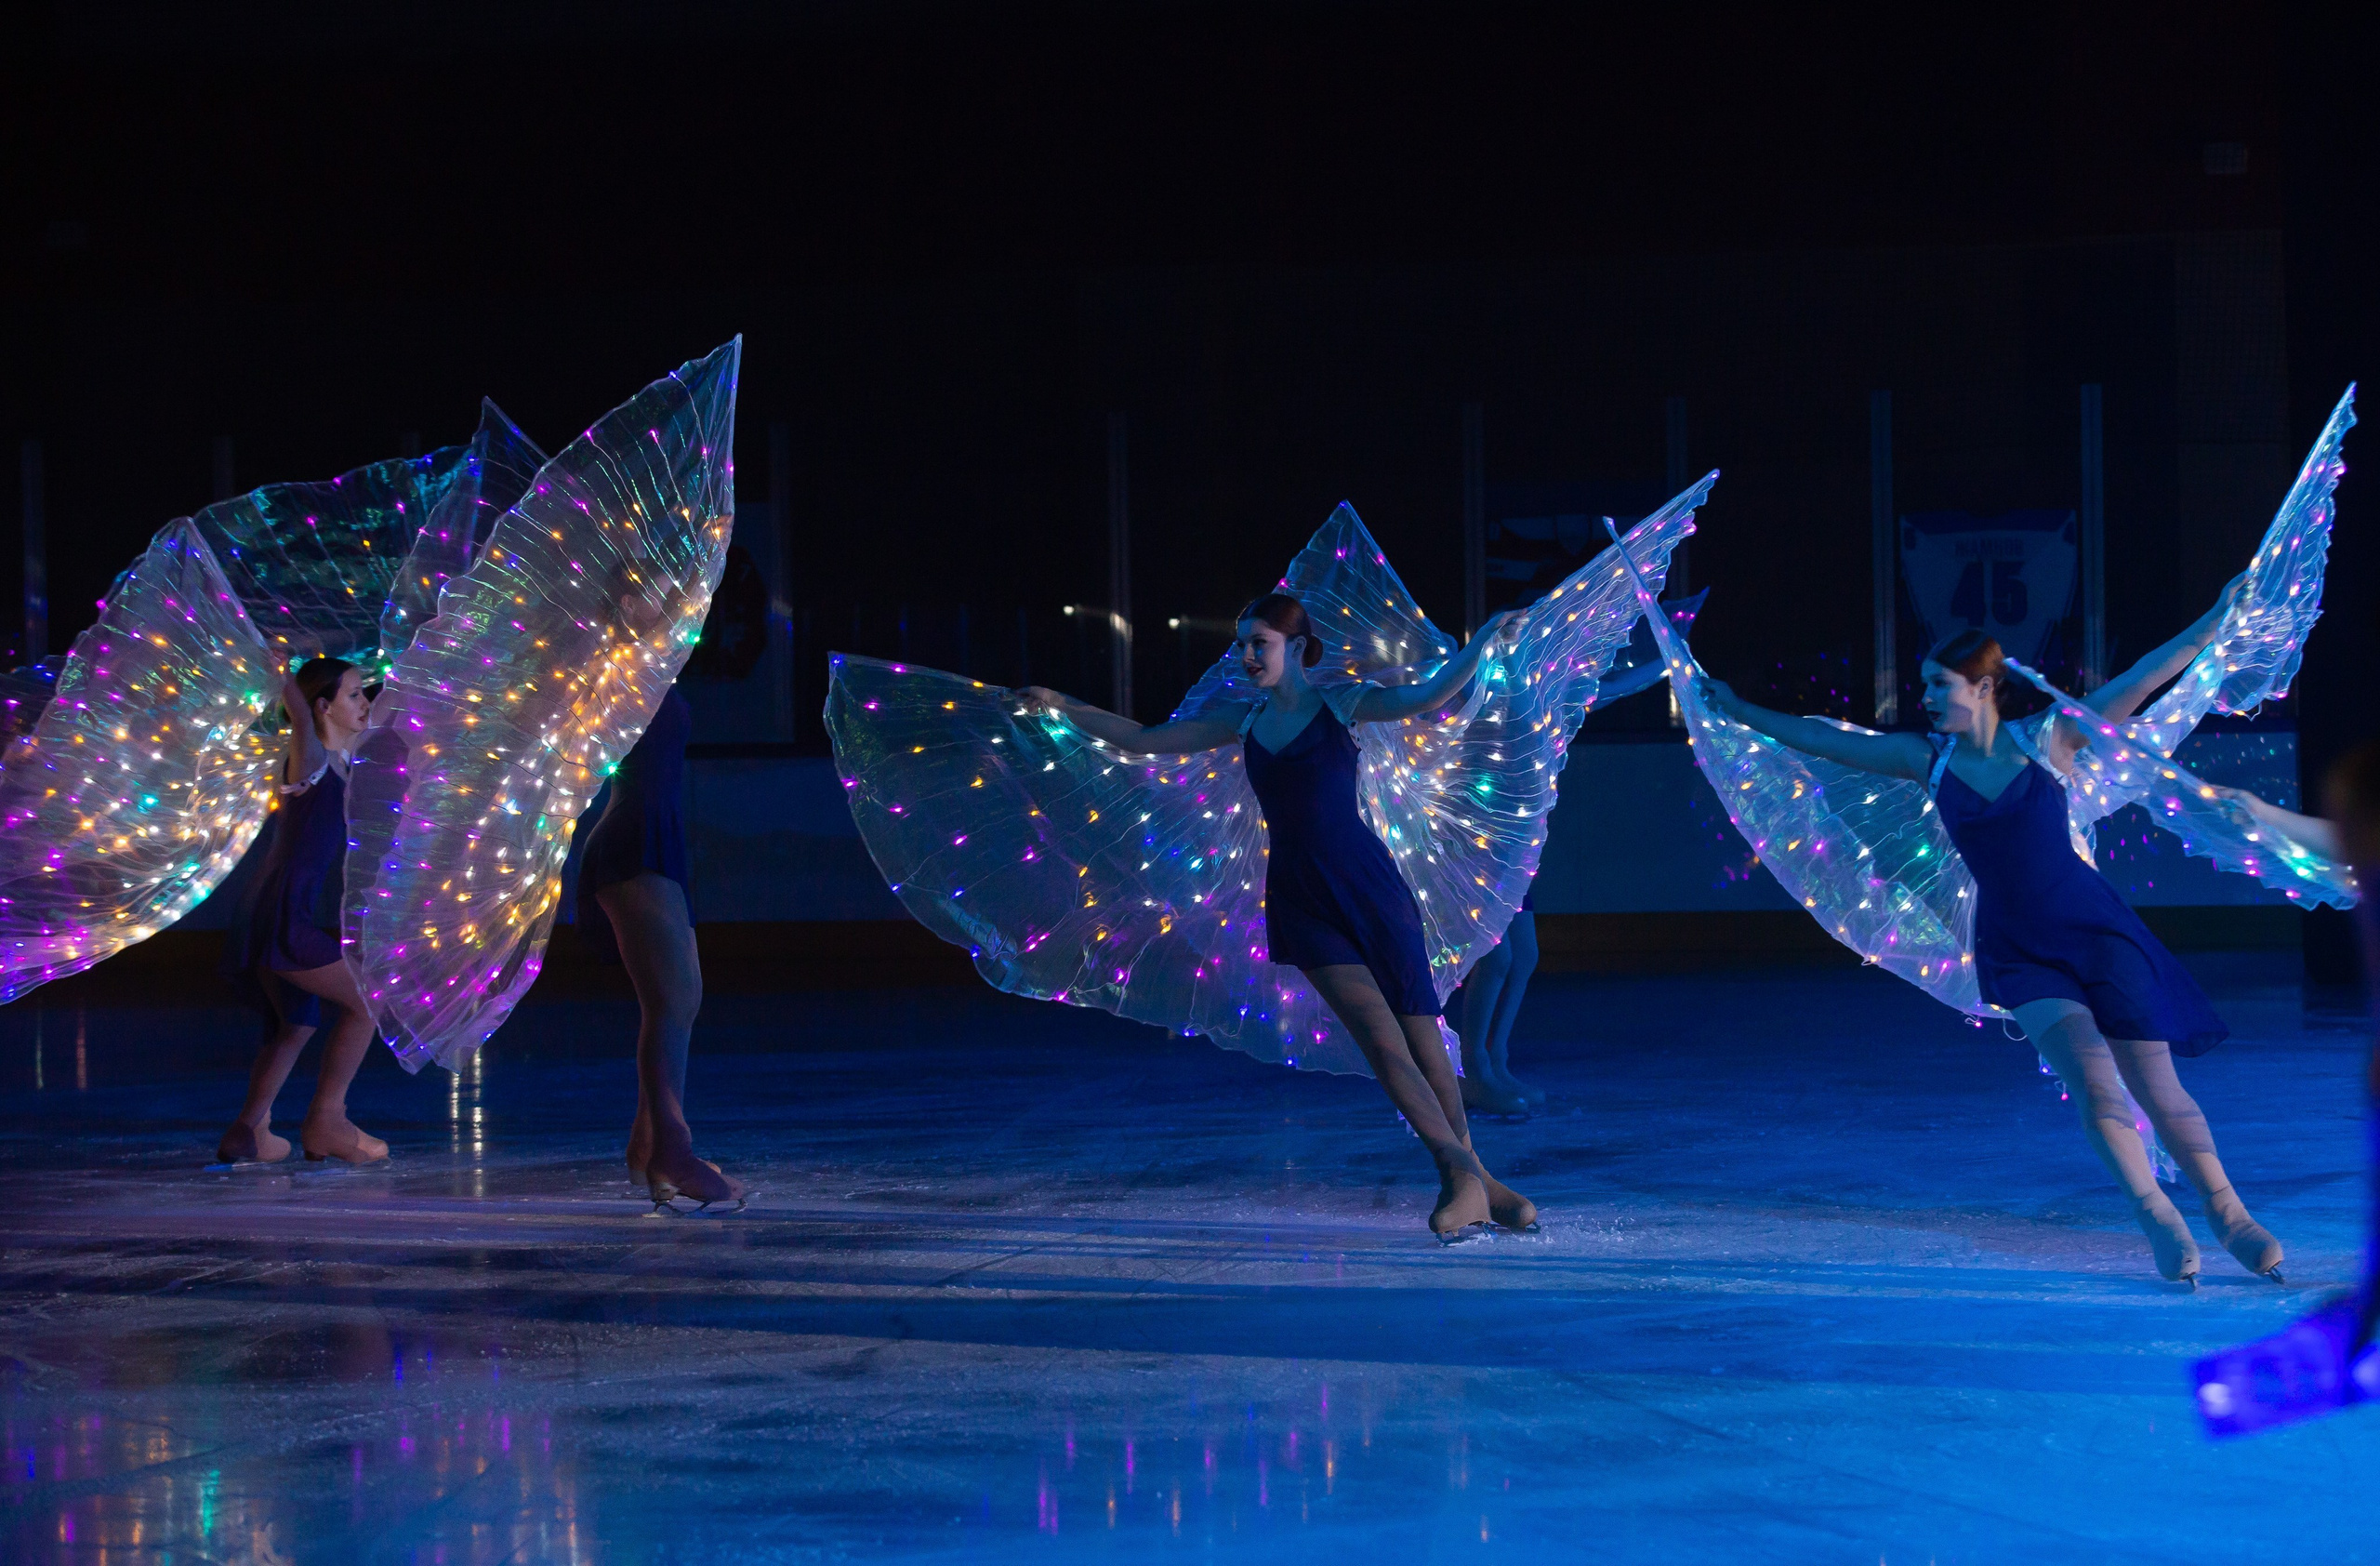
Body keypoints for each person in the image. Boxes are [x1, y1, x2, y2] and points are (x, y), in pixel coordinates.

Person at [1699, 592, 2285, 1287]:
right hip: (2018, 949)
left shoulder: (2050, 738)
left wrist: (2217, 617)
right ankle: (2158, 1216)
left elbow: (2148, 677)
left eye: (1936, 684)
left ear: (1982, 687)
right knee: (2096, 1092)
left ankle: (2230, 1213)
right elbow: (1822, 739)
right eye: (1922, 684)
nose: (1923, 696)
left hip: (2097, 933)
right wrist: (1734, 708)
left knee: (2158, 1090)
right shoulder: (1927, 760)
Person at [1019, 593, 1537, 1241]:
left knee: (1425, 1038)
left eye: (1256, 643)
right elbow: (1146, 742)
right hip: (1300, 898)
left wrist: (1484, 636)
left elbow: (1428, 696)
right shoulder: (1243, 720)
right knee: (1381, 1042)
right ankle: (1460, 1177)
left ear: (1296, 647)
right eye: (1241, 644)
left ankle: (1478, 1182)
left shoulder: (1343, 703)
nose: (1245, 656)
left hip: (1371, 888)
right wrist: (1064, 707)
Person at [575, 607, 742, 1213]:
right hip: (631, 837)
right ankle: (670, 1149)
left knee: (681, 999)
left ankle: (651, 1145)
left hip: (654, 833)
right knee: (670, 1000)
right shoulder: (614, 670)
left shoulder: (651, 668)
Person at [216, 657, 390, 1166]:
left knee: (297, 1023)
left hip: (271, 909)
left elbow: (392, 721)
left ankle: (248, 1131)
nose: (365, 702)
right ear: (323, 706)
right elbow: (294, 704)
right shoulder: (310, 758)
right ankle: (327, 1121)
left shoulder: (341, 758)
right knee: (367, 1001)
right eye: (355, 695)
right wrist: (277, 665)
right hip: (282, 915)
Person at [1454, 891, 1541, 1116]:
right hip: (1474, 861)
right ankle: (1473, 1068)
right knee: (1495, 957)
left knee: (1524, 955)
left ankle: (1495, 1063)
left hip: (1509, 858)